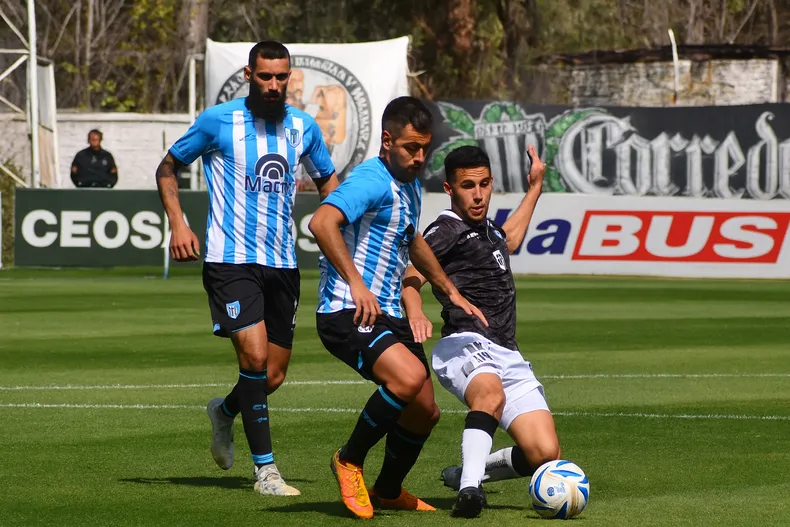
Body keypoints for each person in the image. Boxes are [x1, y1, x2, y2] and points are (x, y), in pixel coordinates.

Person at [155, 40, 339, 496]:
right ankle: (267, 472)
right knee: (254, 358)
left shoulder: (303, 126)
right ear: (247, 74)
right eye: (265, 76)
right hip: (229, 259)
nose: (274, 85)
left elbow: (327, 180)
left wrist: (340, 220)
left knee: (272, 375)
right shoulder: (219, 121)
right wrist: (178, 223)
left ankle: (224, 411)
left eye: (282, 77)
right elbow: (168, 167)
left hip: (283, 262)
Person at [308, 96, 488, 519]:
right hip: (347, 311)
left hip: (387, 311)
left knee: (425, 412)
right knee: (407, 379)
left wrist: (449, 290)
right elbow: (321, 222)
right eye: (411, 147)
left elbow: (412, 241)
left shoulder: (406, 183)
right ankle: (348, 460)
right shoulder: (371, 180)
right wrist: (356, 283)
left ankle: (388, 490)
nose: (420, 157)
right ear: (387, 140)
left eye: (425, 148)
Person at [401, 144, 561, 518]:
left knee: (544, 453)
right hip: (465, 343)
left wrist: (535, 186)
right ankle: (470, 493)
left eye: (484, 184)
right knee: (487, 392)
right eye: (468, 186)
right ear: (449, 189)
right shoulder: (445, 229)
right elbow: (411, 276)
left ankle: (467, 474)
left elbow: (512, 238)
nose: (478, 194)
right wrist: (416, 310)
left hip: (508, 351)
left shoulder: (486, 228)